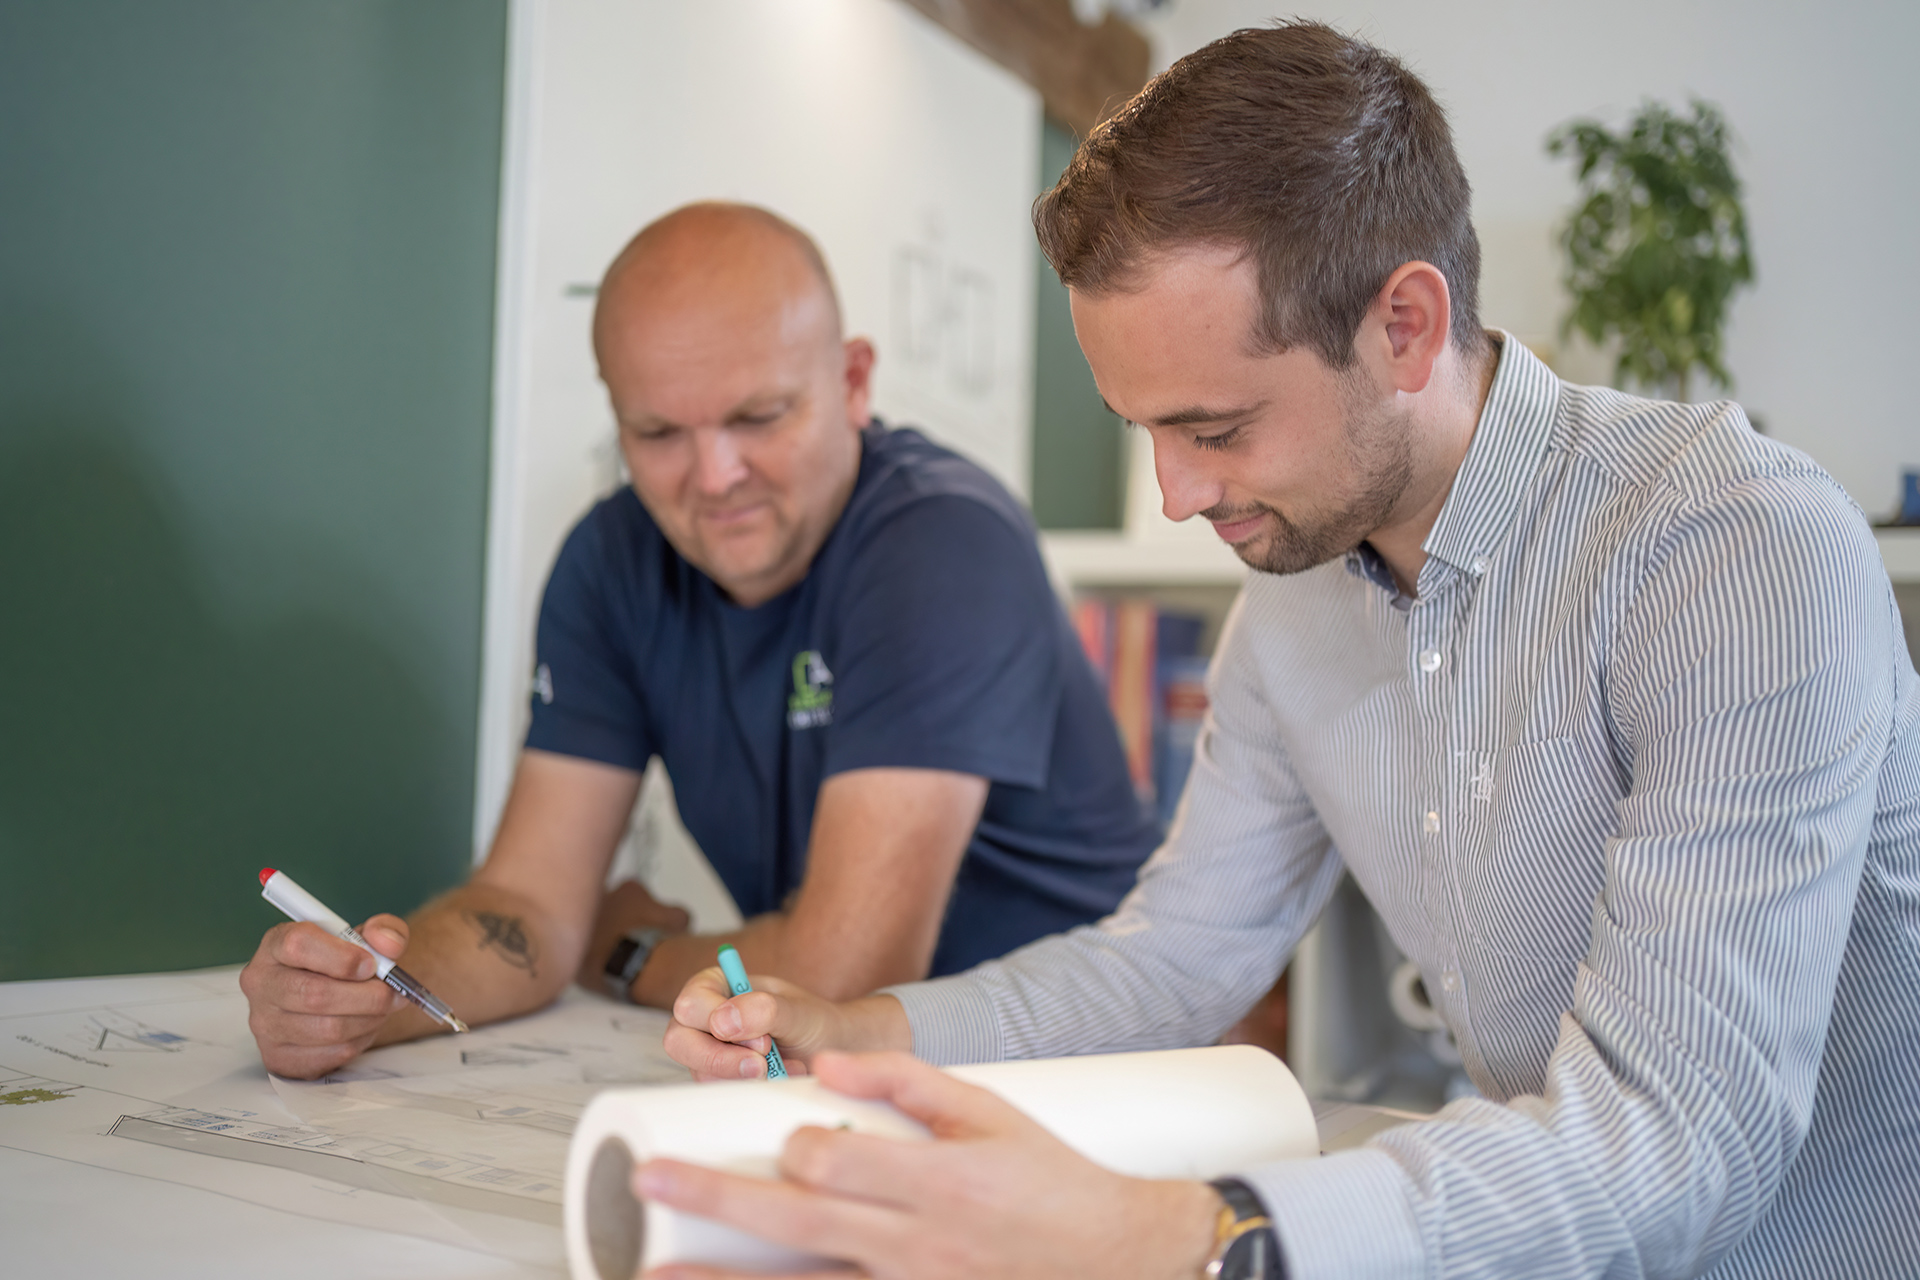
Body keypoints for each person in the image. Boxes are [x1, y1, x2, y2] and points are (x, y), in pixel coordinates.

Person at [654, 24, 1920, 1280]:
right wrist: (856, 1029)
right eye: (1143, 426)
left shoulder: (1730, 547)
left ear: (1407, 326)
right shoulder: (1298, 602)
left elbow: (1679, 1137)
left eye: (1216, 425)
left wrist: (1171, 1233)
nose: (1175, 494)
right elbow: (1178, 955)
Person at [238, 202, 1159, 1080]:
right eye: (659, 433)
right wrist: (363, 998)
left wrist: (630, 951)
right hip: (845, 1075)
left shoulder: (944, 543)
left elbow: (844, 970)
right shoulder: (612, 560)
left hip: (1085, 1068)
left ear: (852, 383)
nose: (716, 478)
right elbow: (528, 906)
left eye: (758, 417)